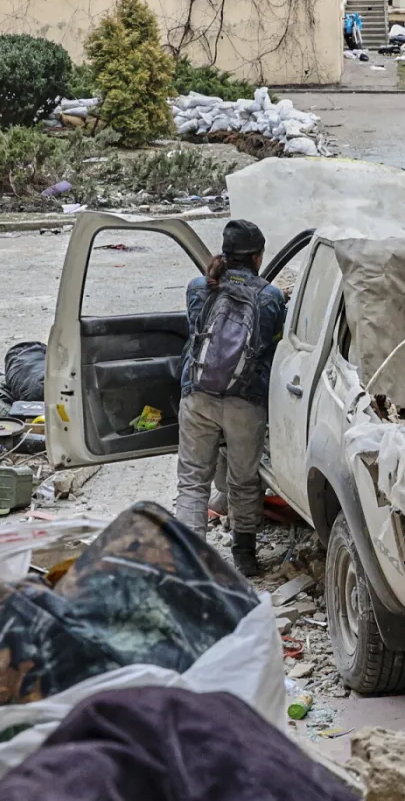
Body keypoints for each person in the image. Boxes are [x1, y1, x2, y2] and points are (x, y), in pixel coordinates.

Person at [175, 219, 286, 577]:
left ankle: (191, 561)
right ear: (257, 256)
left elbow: (196, 333)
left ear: (224, 253)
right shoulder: (269, 296)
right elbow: (273, 343)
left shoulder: (198, 287)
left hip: (198, 395)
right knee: (244, 479)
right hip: (245, 402)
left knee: (193, 480)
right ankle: (244, 555)